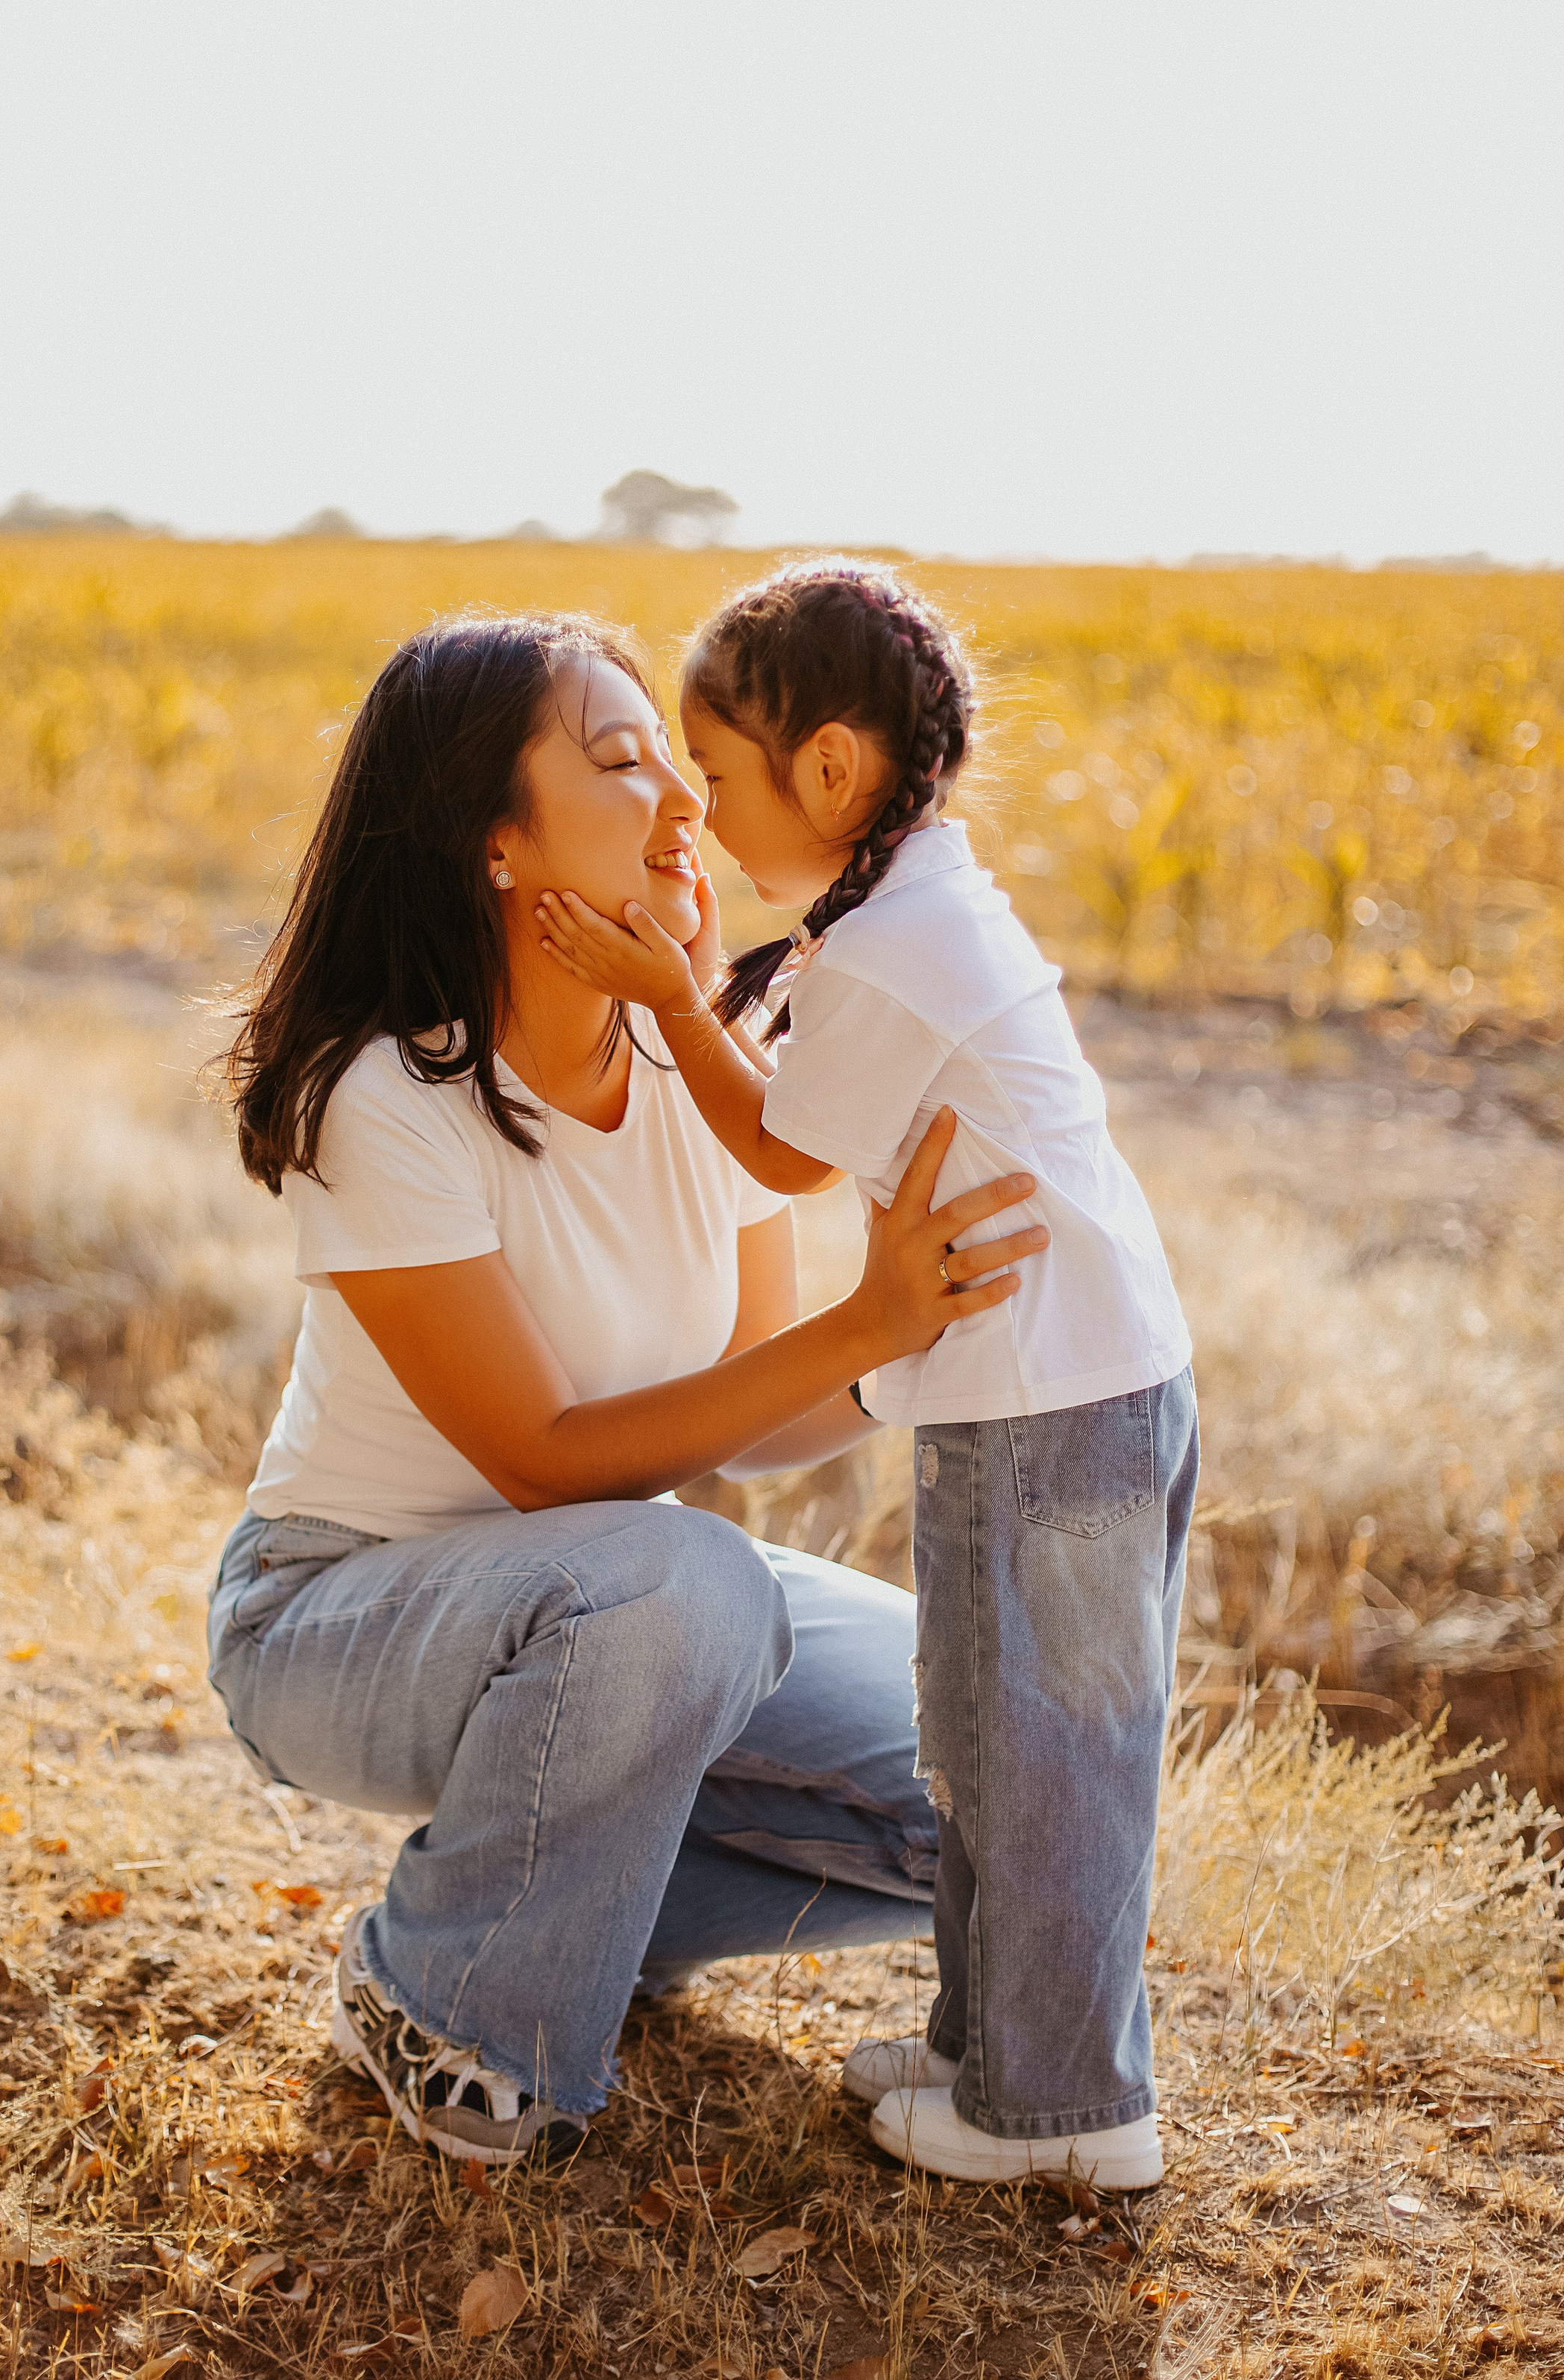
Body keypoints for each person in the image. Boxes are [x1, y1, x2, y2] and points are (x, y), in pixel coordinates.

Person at [208, 610, 1049, 2169]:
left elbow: (753, 1401)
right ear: (494, 844)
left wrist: (916, 1335)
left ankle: (583, 1913)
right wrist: (858, 1318)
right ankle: (442, 2000)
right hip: (338, 1621)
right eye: (617, 761)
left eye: (682, 760)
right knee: (685, 1577)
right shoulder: (388, 1094)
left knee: (1015, 1751)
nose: (686, 804)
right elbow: (541, 1465)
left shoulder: (702, 1067)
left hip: (628, 1620)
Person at [536, 558, 1196, 2191]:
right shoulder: (904, 915)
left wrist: (664, 993)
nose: (692, 811)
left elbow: (770, 1150)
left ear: (828, 771)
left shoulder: (899, 944)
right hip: (1025, 1403)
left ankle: (1064, 2111)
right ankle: (994, 2056)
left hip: (1059, 1410)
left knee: (1048, 1762)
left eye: (713, 770)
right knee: (984, 1739)